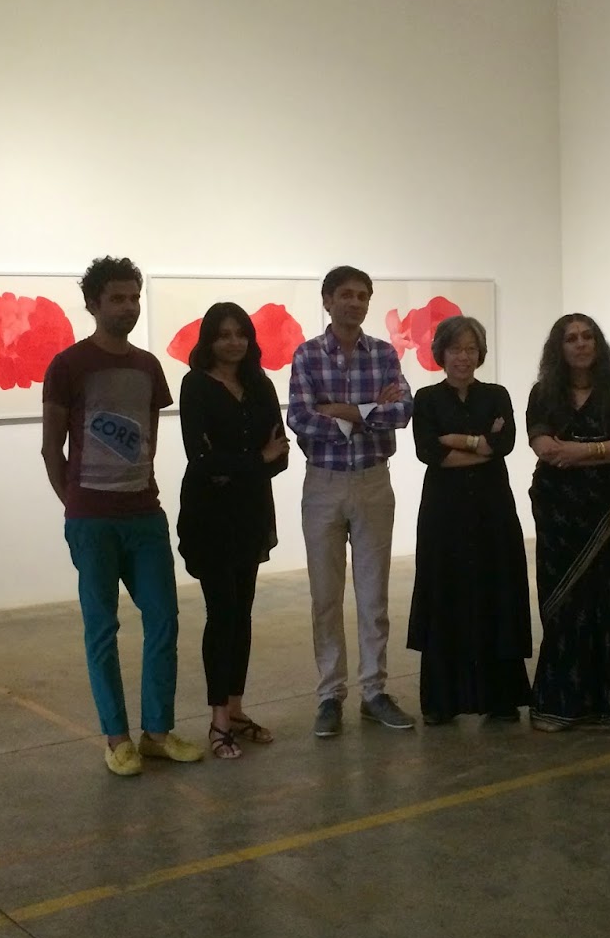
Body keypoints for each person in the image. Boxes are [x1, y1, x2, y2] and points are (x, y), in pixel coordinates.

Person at [42, 256, 202, 776]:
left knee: (164, 619)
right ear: (93, 303)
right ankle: (117, 738)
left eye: (134, 297)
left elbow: (148, 438)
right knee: (101, 629)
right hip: (92, 520)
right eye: (117, 298)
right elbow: (51, 447)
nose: (128, 307)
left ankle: (157, 732)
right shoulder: (68, 366)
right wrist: (75, 505)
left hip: (144, 515)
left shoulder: (148, 367)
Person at [287, 266, 416, 737]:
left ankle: (374, 692)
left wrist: (340, 411)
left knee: (373, 594)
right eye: (346, 294)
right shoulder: (307, 355)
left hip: (373, 481)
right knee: (325, 596)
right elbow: (300, 419)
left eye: (363, 296)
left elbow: (402, 411)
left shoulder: (383, 353)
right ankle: (329, 695)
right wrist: (368, 411)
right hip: (322, 484)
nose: (355, 302)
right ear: (327, 300)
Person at [526, 313, 610, 736]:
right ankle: (563, 707)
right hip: (561, 523)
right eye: (571, 338)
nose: (581, 344)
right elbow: (544, 447)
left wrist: (582, 451)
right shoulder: (544, 395)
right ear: (559, 347)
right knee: (566, 609)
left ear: (597, 344)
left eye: (587, 337)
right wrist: (606, 447)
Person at [176, 302, 289, 759]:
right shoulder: (196, 385)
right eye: (224, 334)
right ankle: (218, 719)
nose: (233, 342)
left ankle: (237, 710)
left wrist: (240, 466)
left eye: (240, 333)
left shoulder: (260, 384)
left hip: (250, 514)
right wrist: (256, 459)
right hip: (209, 517)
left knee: (242, 614)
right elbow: (201, 460)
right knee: (221, 613)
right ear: (209, 340)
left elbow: (280, 454)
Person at [406, 315, 532, 725]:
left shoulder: (496, 394)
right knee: (447, 594)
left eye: (470, 349)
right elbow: (429, 452)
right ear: (441, 353)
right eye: (455, 349)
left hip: (492, 510)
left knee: (496, 591)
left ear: (480, 354)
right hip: (444, 513)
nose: (463, 357)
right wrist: (480, 445)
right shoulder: (426, 398)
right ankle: (443, 702)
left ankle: (501, 699)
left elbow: (504, 444)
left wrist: (457, 440)